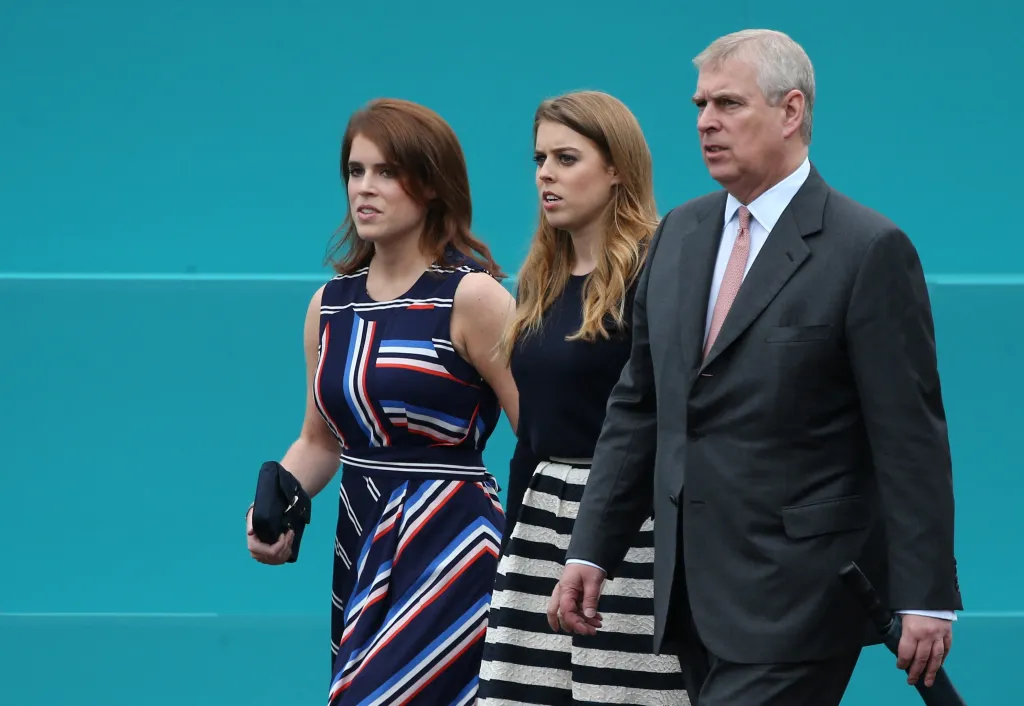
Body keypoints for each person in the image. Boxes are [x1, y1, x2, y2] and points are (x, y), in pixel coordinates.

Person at [549, 29, 963, 706]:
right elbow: (642, 407)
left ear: (792, 111)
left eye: (728, 104)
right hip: (688, 597)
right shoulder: (679, 234)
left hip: (802, 596)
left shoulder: (868, 250)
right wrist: (591, 549)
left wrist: (927, 596)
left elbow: (910, 436)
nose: (706, 122)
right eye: (699, 104)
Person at [244, 97, 519, 705]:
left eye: (387, 172)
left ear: (432, 184)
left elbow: (543, 431)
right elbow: (319, 442)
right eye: (355, 170)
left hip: (452, 543)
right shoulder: (329, 306)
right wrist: (275, 502)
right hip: (361, 537)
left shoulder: (473, 297)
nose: (364, 188)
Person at [477, 90, 689, 706]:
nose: (546, 173)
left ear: (617, 166)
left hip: (632, 528)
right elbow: (531, 436)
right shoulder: (539, 280)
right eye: (540, 158)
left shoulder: (662, 269)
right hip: (542, 523)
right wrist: (513, 547)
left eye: (567, 158)